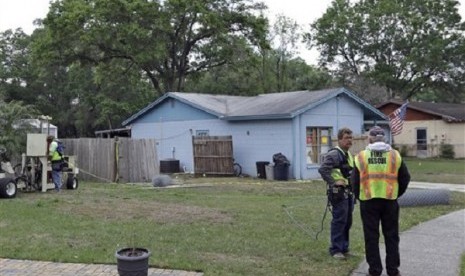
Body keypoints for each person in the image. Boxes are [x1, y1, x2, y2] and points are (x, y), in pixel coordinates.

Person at [351, 126, 410, 276]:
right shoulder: (394, 155)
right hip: (389, 201)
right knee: (391, 236)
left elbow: (354, 181)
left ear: (369, 138)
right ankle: (393, 270)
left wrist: (360, 196)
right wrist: (396, 193)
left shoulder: (361, 156)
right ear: (383, 138)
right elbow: (405, 178)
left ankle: (375, 270)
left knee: (371, 237)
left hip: (368, 201)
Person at [318, 127, 354, 259]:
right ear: (339, 139)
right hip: (338, 193)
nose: (349, 141)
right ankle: (336, 249)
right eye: (346, 138)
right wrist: (334, 182)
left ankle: (344, 247)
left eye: (351, 138)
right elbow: (323, 170)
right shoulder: (334, 154)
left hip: (349, 192)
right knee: (339, 220)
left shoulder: (349, 154)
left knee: (347, 221)